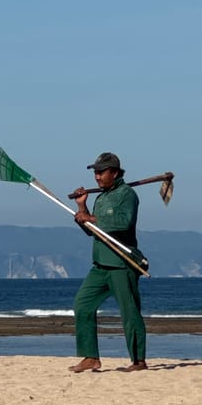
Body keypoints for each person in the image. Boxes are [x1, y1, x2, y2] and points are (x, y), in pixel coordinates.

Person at [69, 152, 148, 373]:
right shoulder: (100, 197)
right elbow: (92, 231)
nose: (97, 177)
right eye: (95, 172)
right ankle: (91, 357)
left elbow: (123, 223)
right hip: (100, 264)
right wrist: (82, 208)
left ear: (114, 172)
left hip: (123, 263)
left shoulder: (127, 195)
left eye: (101, 172)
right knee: (82, 304)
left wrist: (91, 218)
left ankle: (138, 361)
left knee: (129, 313)